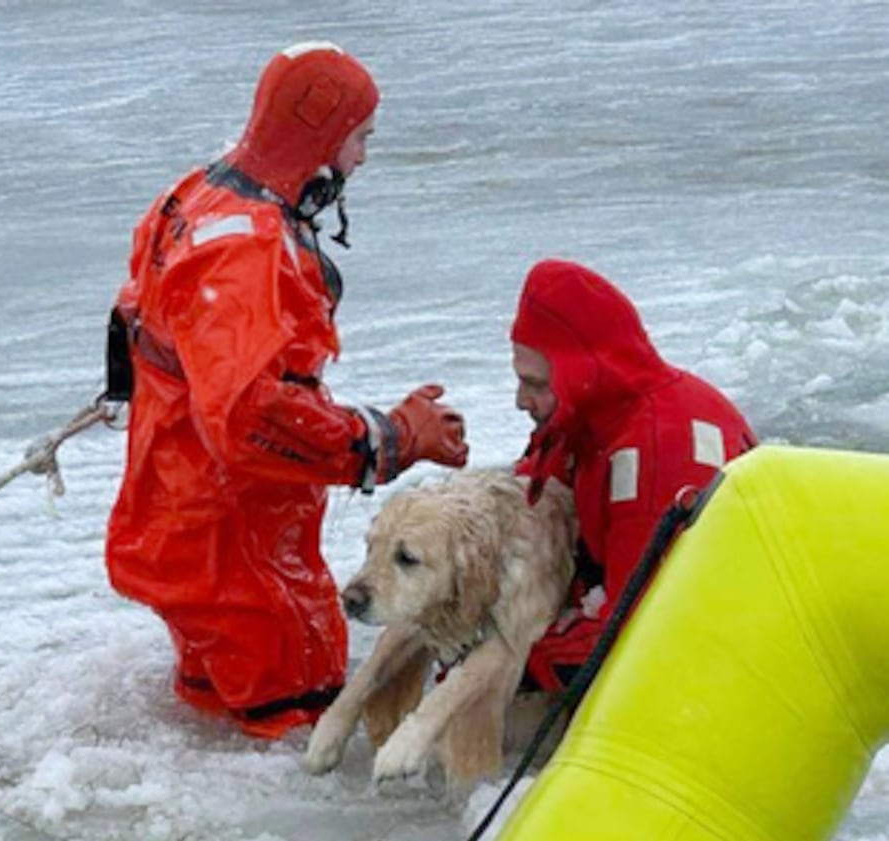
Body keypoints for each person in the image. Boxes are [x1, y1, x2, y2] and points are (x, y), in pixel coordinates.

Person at [105, 41, 469, 739]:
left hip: (175, 518)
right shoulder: (251, 251)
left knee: (216, 718)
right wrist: (390, 438)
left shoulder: (196, 195)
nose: (363, 158)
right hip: (238, 549)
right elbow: (249, 421)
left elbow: (135, 317)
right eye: (360, 138)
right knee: (297, 731)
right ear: (320, 136)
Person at [510, 259, 757, 690]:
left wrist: (505, 660)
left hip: (717, 666)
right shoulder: (586, 419)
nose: (520, 400)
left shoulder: (660, 453)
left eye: (536, 384)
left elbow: (637, 636)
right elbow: (521, 498)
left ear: (581, 370)